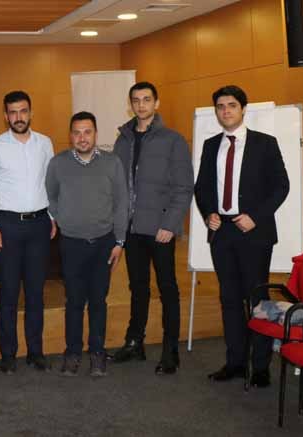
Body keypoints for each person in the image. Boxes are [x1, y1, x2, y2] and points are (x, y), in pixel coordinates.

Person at [194, 85, 289, 388]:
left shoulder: (265, 143)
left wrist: (255, 217)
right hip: (222, 233)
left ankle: (260, 366)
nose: (226, 111)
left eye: (232, 105)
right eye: (220, 106)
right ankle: (235, 362)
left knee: (257, 299)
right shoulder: (211, 145)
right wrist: (208, 213)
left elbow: (281, 186)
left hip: (254, 232)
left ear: (243, 109)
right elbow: (202, 187)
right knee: (230, 299)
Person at [110, 82, 194, 375]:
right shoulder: (123, 140)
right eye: (136, 100)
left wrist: (170, 224)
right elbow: (118, 188)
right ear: (130, 105)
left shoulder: (173, 140)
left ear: (156, 103)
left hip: (160, 229)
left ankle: (171, 350)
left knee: (167, 289)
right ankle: (135, 342)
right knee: (138, 288)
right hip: (132, 229)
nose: (141, 105)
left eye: (147, 100)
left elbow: (184, 187)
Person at [46, 112, 128, 378]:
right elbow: (50, 196)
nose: (82, 138)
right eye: (77, 132)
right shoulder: (58, 164)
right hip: (71, 244)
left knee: (98, 300)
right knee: (73, 300)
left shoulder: (112, 163)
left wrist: (119, 240)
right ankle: (72, 353)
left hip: (104, 243)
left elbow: (121, 203)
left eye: (87, 132)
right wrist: (63, 218)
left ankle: (97, 352)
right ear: (70, 135)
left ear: (95, 134)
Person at [0, 91, 55, 373]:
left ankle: (36, 352)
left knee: (35, 293)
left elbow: (50, 183)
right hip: (7, 226)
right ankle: (8, 355)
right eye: (13, 112)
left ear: (30, 113)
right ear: (5, 116)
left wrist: (52, 217)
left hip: (39, 225)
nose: (18, 117)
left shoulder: (45, 143)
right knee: (9, 293)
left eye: (23, 111)